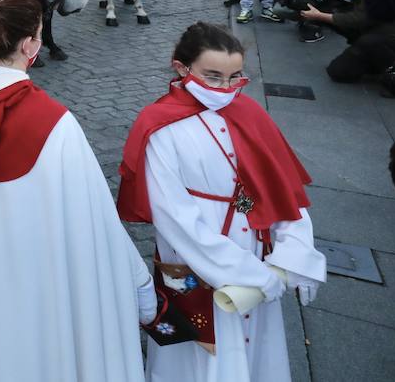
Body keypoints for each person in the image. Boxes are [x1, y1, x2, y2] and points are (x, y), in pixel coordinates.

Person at [0, 0, 154, 381]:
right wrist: (141, 285)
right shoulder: (53, 123)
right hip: (39, 284)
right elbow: (95, 224)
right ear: (31, 45)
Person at [118, 22, 324, 382]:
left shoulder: (250, 113)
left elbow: (284, 190)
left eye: (235, 77)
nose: (225, 89)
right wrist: (247, 273)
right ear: (182, 68)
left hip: (255, 249)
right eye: (212, 77)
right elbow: (174, 218)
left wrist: (297, 253)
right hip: (194, 257)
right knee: (198, 353)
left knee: (256, 348)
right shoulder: (159, 127)